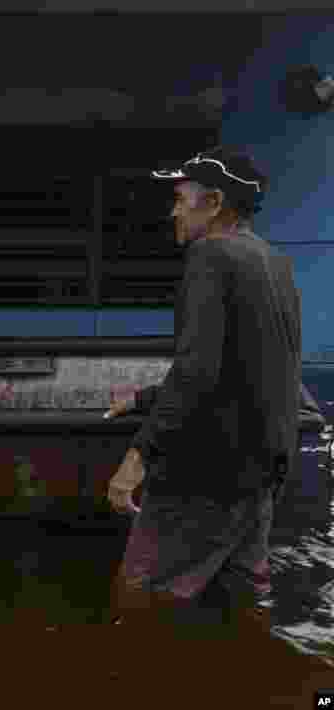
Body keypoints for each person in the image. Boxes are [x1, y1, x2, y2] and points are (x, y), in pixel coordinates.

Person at [103, 147, 300, 629]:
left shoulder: (210, 255)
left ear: (213, 203)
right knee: (242, 600)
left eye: (180, 199)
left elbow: (196, 371)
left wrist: (137, 457)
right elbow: (250, 366)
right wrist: (145, 398)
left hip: (206, 474)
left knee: (140, 594)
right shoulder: (274, 262)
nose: (173, 211)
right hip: (262, 469)